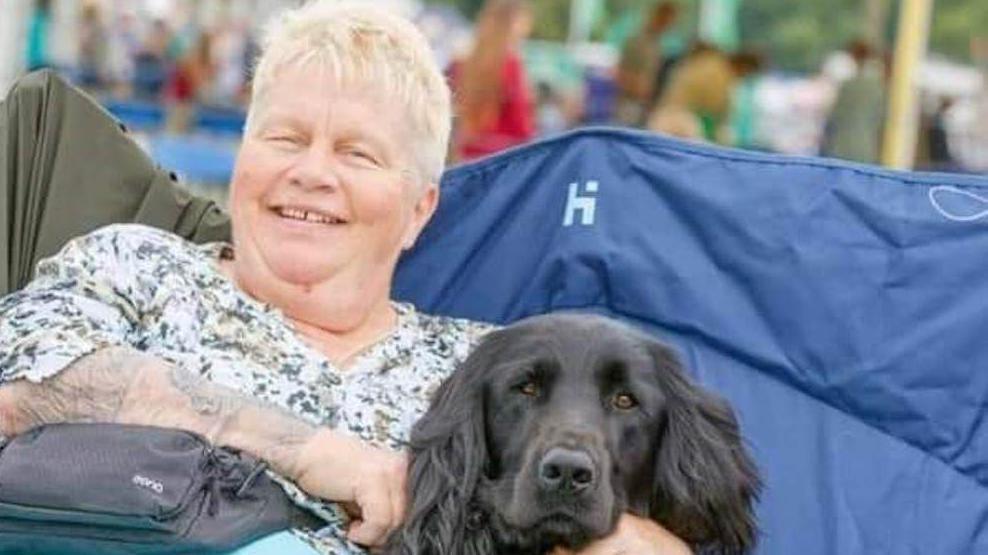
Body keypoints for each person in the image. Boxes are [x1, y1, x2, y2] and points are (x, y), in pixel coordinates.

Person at [0, 2, 692, 554]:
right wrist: (310, 451)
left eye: (357, 153)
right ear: (243, 157)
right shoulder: (135, 266)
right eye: (284, 138)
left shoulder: (493, 370)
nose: (312, 172)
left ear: (419, 209)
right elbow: (19, 387)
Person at [449, 0, 535, 161]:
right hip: (503, 159)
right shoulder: (511, 64)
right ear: (513, 23)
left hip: (467, 156)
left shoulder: (464, 62)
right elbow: (521, 124)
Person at [614, 2, 680, 127]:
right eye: (668, 20)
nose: (669, 26)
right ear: (659, 16)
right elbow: (620, 72)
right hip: (629, 104)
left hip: (644, 105)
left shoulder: (656, 44)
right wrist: (636, 85)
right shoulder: (636, 41)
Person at [821, 40, 886, 164]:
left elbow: (835, 115)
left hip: (843, 146)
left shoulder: (849, 85)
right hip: (866, 145)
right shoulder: (878, 86)